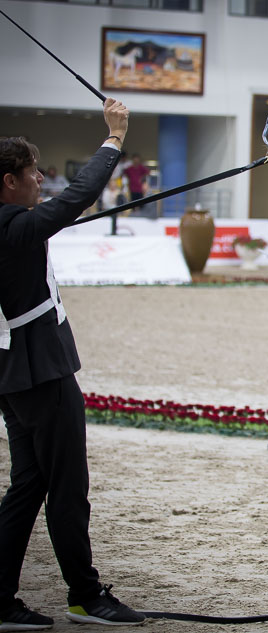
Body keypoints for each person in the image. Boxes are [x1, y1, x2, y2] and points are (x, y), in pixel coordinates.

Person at [0, 98, 145, 628]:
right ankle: (85, 595)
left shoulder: (12, 223)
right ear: (9, 182)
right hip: (42, 371)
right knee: (66, 487)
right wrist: (114, 137)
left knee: (28, 485)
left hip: (13, 374)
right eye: (32, 172)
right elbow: (78, 196)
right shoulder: (14, 226)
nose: (40, 179)